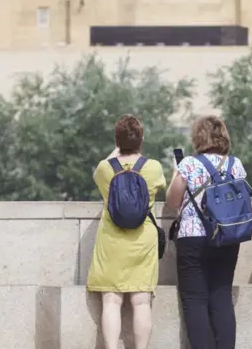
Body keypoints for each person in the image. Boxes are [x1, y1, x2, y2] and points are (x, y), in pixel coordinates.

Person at [165, 115, 247, 349]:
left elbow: (173, 200)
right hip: (227, 236)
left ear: (198, 137)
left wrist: (175, 173)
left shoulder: (189, 164)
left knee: (195, 301)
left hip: (193, 236)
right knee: (222, 297)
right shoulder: (235, 164)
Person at [86, 114, 167, 349]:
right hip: (143, 240)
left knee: (111, 301)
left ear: (117, 139)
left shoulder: (105, 169)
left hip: (111, 240)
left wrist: (117, 149)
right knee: (141, 303)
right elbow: (162, 186)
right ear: (141, 139)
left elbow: (99, 172)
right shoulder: (152, 168)